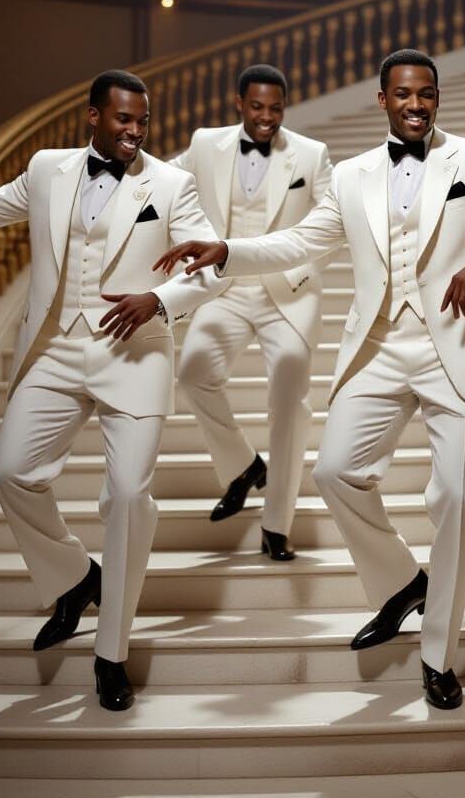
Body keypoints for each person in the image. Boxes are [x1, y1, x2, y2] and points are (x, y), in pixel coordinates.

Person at [153, 49, 465, 708]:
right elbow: (300, 242)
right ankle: (403, 582)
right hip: (377, 346)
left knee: (459, 499)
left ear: (436, 98)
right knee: (334, 472)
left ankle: (439, 654)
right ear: (383, 99)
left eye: (426, 94)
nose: (415, 104)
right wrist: (229, 251)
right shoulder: (350, 175)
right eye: (403, 94)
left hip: (456, 345)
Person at [0, 69, 227, 710]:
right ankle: (76, 578)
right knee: (9, 473)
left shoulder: (172, 183)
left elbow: (211, 268)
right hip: (56, 347)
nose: (134, 131)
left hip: (134, 355)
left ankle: (112, 655)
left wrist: (158, 298)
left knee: (128, 496)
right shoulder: (47, 168)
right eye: (123, 119)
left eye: (142, 121)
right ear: (93, 116)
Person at [170, 64, 334, 560]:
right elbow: (160, 182)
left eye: (276, 109)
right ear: (239, 103)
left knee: (289, 400)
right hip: (225, 290)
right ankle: (244, 467)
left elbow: (331, 220)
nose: (267, 118)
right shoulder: (204, 144)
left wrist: (301, 261)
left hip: (288, 292)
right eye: (258, 108)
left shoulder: (311, 154)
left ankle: (277, 524)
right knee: (193, 371)